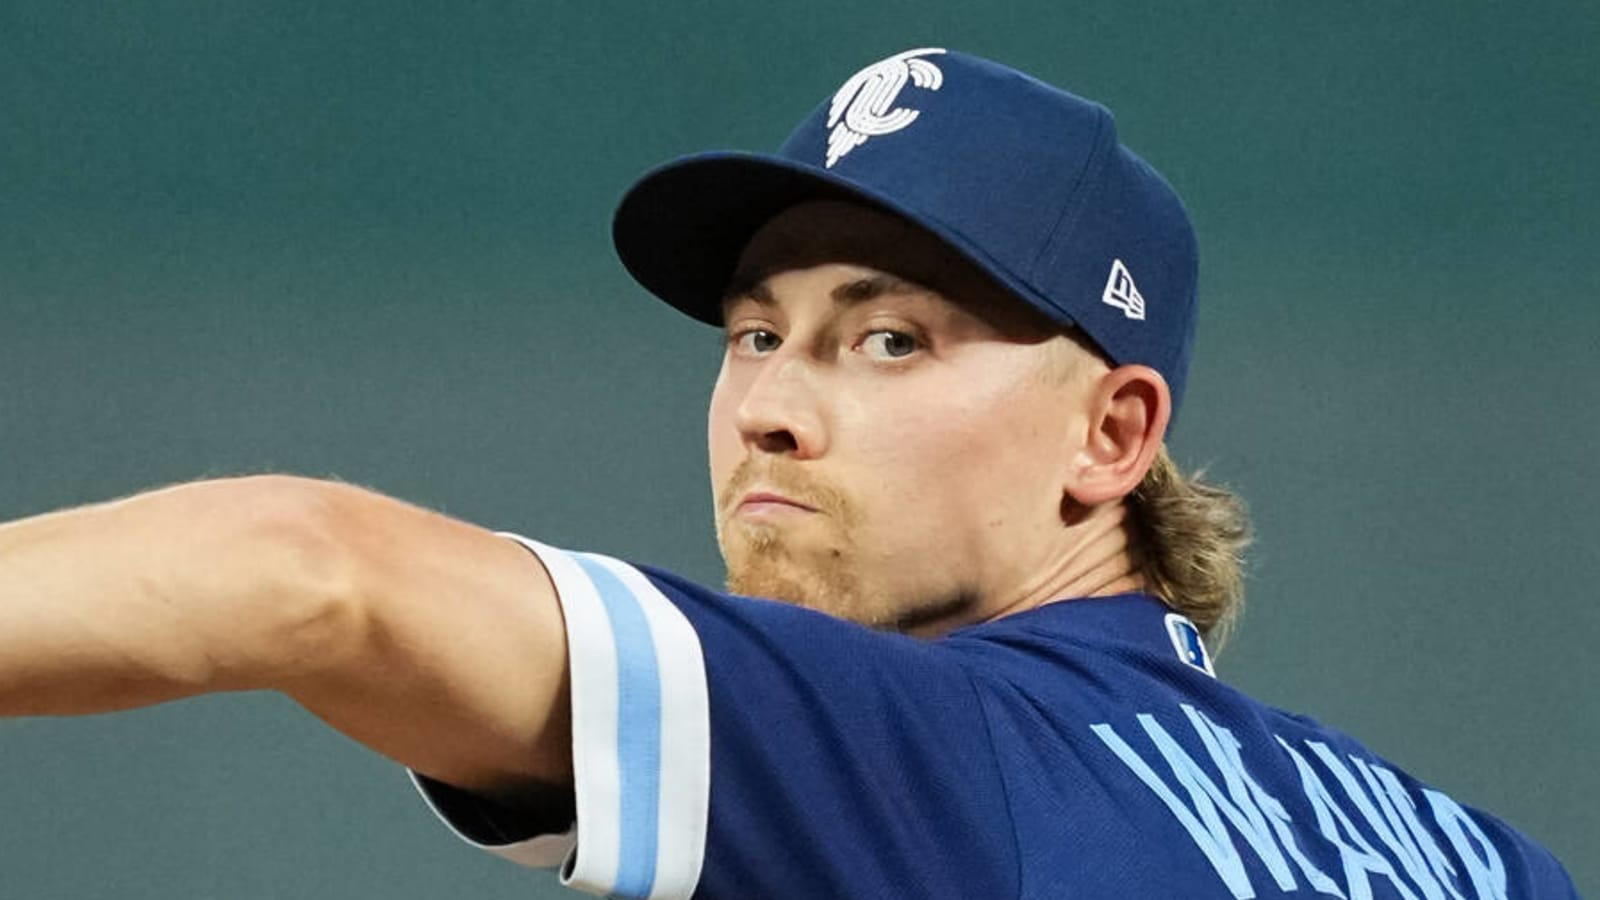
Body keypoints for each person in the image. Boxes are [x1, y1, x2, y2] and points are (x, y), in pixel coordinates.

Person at [0, 47, 1579, 900]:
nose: (769, 407)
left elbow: (306, 573)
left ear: (1113, 437)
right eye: (756, 335)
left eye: (887, 341)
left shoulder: (949, 749)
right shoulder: (1471, 856)